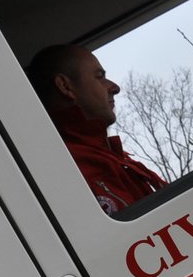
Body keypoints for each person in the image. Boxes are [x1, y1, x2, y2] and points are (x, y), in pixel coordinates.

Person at [26, 44, 167, 214]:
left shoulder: (109, 155)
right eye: (99, 77)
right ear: (65, 86)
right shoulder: (63, 167)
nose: (114, 87)